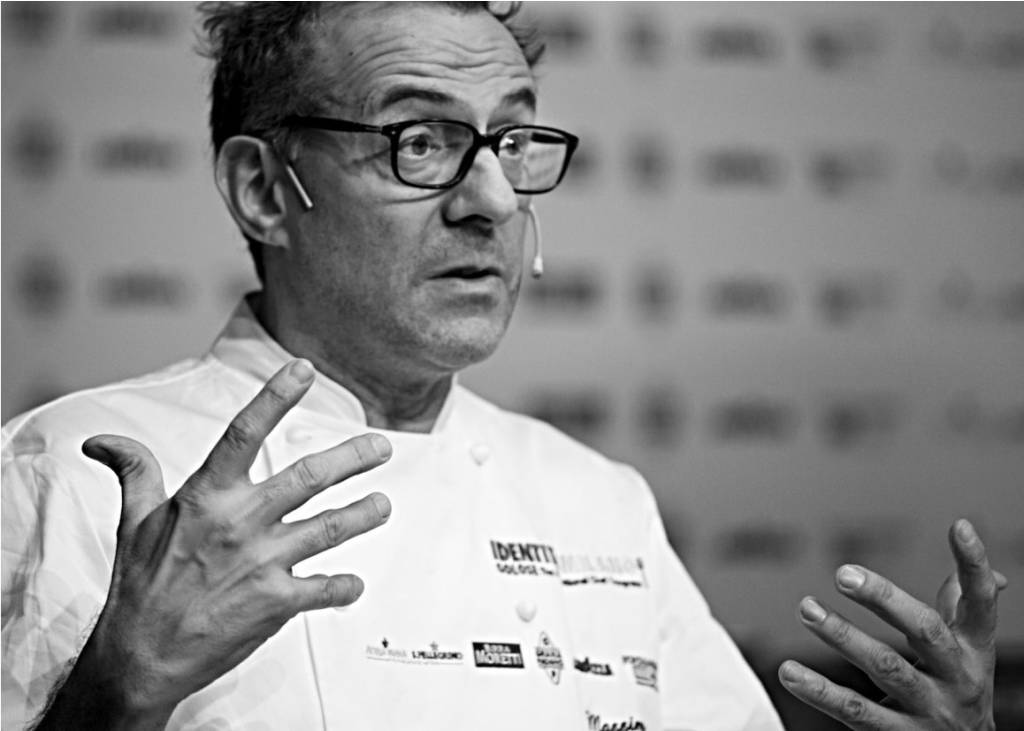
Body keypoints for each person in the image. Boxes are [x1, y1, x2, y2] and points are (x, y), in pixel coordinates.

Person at [1, 3, 1003, 730]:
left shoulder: (595, 496)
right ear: (264, 190)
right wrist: (112, 700)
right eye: (420, 141)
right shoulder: (75, 471)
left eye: (510, 140)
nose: (491, 200)